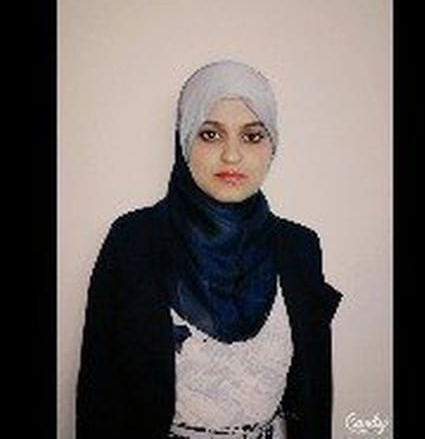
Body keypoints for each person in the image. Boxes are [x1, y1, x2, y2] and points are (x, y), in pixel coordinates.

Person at [76, 60, 343, 439]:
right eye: (211, 134)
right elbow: (100, 389)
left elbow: (314, 390)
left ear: (273, 145)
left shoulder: (300, 247)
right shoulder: (133, 240)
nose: (232, 155)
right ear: (185, 140)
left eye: (252, 136)